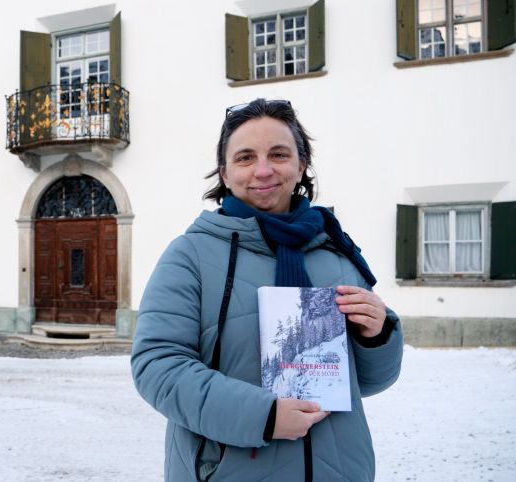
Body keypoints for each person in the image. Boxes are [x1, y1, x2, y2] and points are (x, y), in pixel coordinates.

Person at [131, 99, 403, 481]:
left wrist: (376, 335)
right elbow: (157, 366)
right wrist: (264, 416)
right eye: (245, 158)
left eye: (278, 154)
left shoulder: (337, 252)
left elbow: (370, 382)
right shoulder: (190, 255)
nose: (263, 170)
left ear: (301, 164)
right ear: (224, 173)